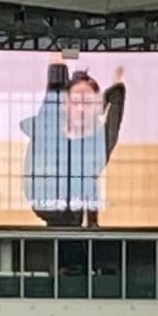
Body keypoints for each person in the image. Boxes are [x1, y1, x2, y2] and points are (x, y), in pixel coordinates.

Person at [22, 59, 127, 228]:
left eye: (88, 103)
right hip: (53, 217)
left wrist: (113, 91)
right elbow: (55, 76)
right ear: (65, 105)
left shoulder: (98, 144)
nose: (81, 109)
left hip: (81, 227)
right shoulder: (47, 130)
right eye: (77, 102)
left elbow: (115, 110)